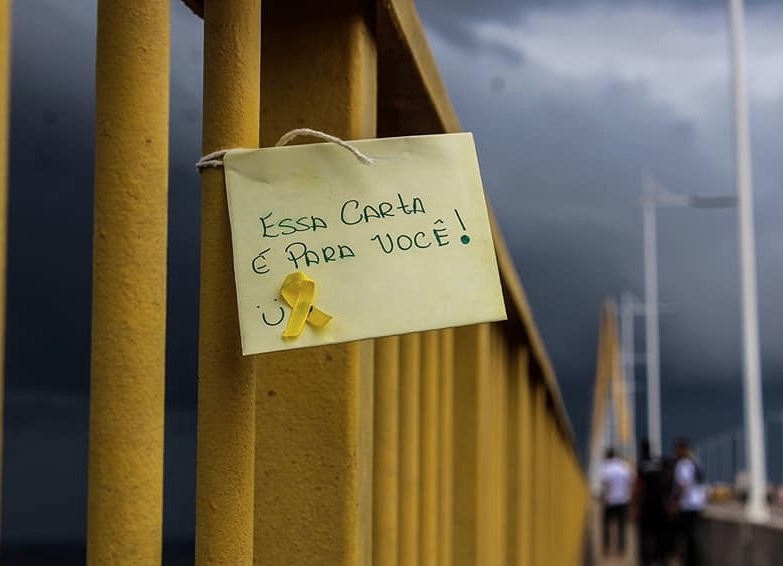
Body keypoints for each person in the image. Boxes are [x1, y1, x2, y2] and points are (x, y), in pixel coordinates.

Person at [632, 438, 667, 565]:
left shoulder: (641, 465)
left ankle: (646, 561)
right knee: (660, 534)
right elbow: (665, 484)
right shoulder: (659, 464)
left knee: (645, 536)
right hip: (660, 505)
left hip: (646, 505)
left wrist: (634, 507)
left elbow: (638, 487)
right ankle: (661, 559)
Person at [673, 437, 707, 566]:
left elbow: (683, 485)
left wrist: (676, 502)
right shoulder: (696, 462)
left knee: (687, 537)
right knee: (693, 536)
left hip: (687, 505)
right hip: (698, 503)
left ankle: (690, 561)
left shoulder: (683, 464)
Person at [600, 447, 633, 557]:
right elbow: (630, 483)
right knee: (621, 525)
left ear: (608, 455)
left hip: (610, 500)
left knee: (606, 525)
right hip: (623, 499)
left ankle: (607, 547)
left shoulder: (606, 466)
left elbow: (605, 484)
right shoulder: (624, 466)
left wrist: (603, 497)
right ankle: (621, 548)